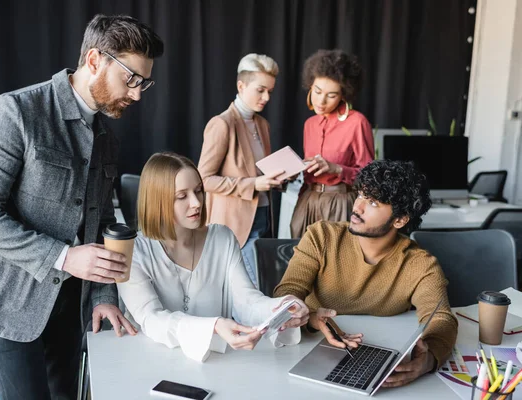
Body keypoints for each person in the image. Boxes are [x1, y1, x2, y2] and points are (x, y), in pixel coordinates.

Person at [0, 14, 163, 400]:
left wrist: (103, 297)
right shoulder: (15, 112)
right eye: (131, 79)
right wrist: (64, 257)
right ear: (95, 60)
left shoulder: (106, 139)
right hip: (5, 303)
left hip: (68, 308)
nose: (136, 94)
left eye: (144, 83)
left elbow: (103, 222)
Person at [275, 160, 458, 388]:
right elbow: (287, 292)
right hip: (308, 348)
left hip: (380, 354)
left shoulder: (420, 264)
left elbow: (441, 318)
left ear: (400, 220)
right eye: (360, 195)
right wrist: (311, 318)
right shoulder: (322, 235)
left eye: (372, 202)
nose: (357, 207)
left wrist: (429, 360)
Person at [117, 152, 310, 362]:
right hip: (149, 364)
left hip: (215, 364)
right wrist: (214, 326)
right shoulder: (134, 251)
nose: (196, 203)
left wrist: (280, 308)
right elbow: (151, 319)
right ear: (157, 201)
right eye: (182, 196)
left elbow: (246, 300)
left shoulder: (221, 237)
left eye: (198, 191)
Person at [198, 53, 285, 287]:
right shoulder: (222, 123)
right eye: (260, 90)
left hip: (265, 219)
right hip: (235, 224)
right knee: (251, 292)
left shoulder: (262, 124)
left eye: (270, 91)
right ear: (241, 85)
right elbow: (203, 180)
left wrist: (280, 178)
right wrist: (254, 184)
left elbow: (261, 173)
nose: (266, 97)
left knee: (263, 288)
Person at [290, 49, 375, 238]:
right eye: (317, 91)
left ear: (343, 95)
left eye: (331, 95)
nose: (321, 100)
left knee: (335, 262)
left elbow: (370, 177)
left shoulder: (357, 122)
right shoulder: (310, 125)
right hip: (308, 201)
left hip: (340, 203)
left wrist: (337, 169)